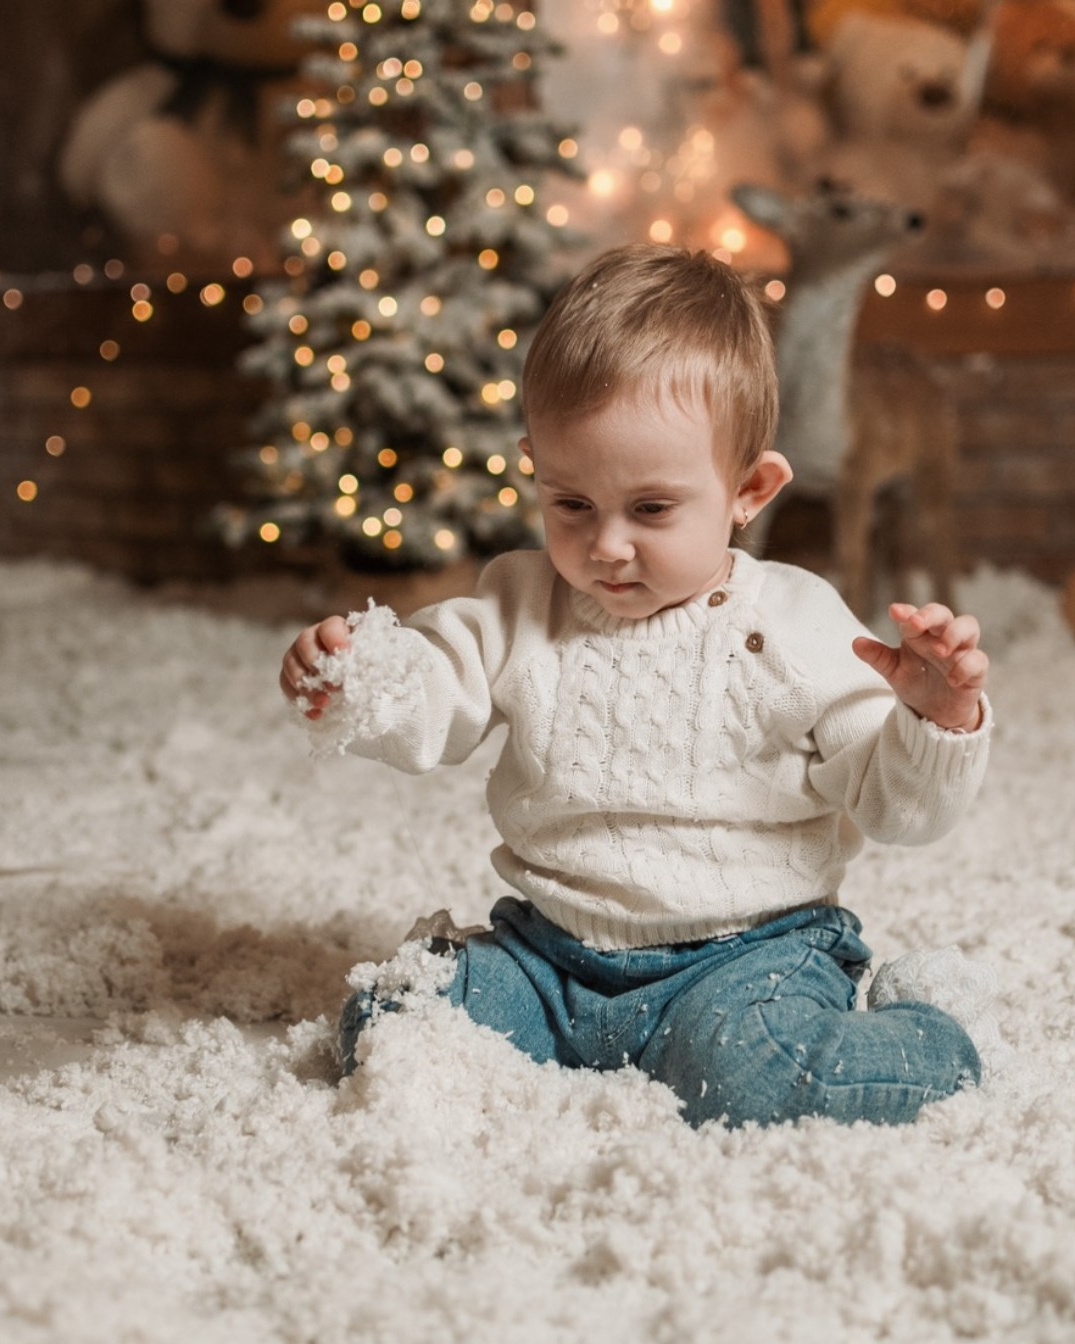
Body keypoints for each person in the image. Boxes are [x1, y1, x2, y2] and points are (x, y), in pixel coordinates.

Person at [279, 244, 993, 1128]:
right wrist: (359, 678)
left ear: (749, 489)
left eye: (651, 509)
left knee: (758, 1081)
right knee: (392, 1024)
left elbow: (898, 811)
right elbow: (438, 694)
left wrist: (934, 719)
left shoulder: (797, 623)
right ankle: (538, 1019)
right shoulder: (520, 602)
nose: (606, 546)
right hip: (550, 955)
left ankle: (929, 1024)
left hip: (747, 958)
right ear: (536, 467)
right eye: (571, 504)